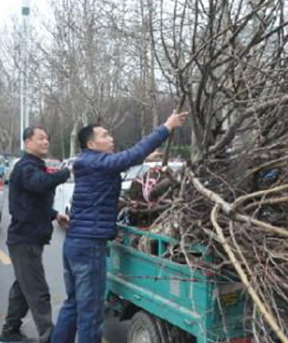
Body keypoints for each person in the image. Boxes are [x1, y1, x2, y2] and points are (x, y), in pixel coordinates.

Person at [51, 110, 188, 343]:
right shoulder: (97, 162)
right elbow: (129, 156)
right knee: (91, 315)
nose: (111, 138)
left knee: (73, 305)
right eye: (105, 135)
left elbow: (125, 162)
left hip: (75, 242)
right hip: (89, 246)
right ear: (92, 143)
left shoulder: (87, 162)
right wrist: (166, 127)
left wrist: (145, 157)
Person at [0, 127, 70, 343]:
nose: (45, 142)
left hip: (29, 238)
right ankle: (49, 336)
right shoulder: (27, 167)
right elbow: (38, 185)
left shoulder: (33, 166)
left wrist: (55, 214)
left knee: (23, 287)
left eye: (47, 138)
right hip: (25, 240)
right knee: (38, 291)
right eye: (40, 138)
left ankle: (10, 330)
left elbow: (29, 204)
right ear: (27, 142)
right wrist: (66, 172)